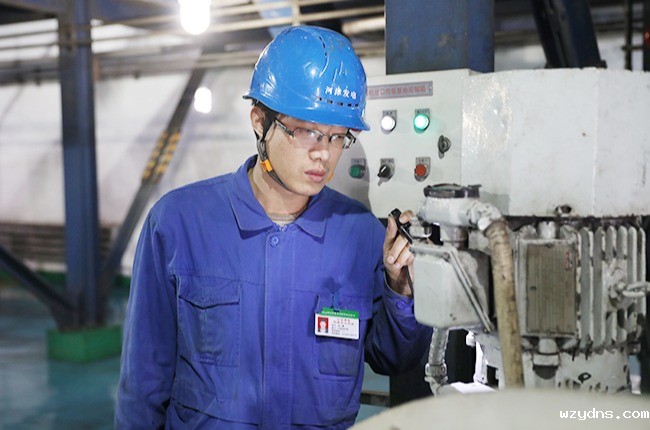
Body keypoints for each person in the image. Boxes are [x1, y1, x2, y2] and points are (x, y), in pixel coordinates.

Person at [115, 25, 432, 429]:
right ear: (259, 121)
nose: (323, 154)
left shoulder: (362, 236)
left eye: (338, 137)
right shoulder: (178, 224)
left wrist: (400, 289)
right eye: (306, 131)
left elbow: (394, 358)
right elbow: (143, 384)